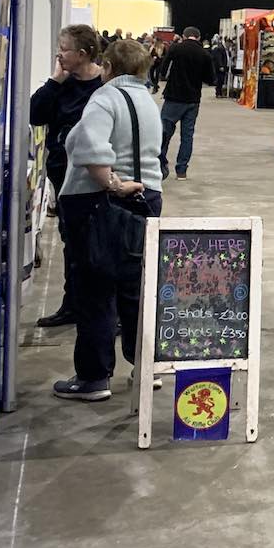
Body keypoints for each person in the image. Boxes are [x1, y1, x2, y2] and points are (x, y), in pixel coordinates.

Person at [52, 38, 165, 402]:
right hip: (146, 198)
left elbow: (91, 150)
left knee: (95, 290)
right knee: (135, 288)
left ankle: (93, 377)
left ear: (108, 67)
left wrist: (113, 184)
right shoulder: (148, 100)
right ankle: (144, 366)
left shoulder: (104, 98)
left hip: (100, 203)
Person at [28, 24, 105, 329]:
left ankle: (98, 311)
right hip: (63, 178)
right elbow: (35, 115)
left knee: (94, 248)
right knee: (70, 244)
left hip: (94, 180)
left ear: (83, 54)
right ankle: (72, 305)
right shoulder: (62, 85)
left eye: (64, 49)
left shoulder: (105, 87)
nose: (58, 54)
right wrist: (54, 82)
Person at [158, 27, 215, 180]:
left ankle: (160, 165)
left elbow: (163, 67)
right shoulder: (204, 54)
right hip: (193, 99)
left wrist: (163, 76)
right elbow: (211, 79)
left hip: (174, 97)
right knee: (187, 136)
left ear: (183, 36)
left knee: (164, 133)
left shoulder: (176, 48)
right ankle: (181, 171)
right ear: (199, 37)